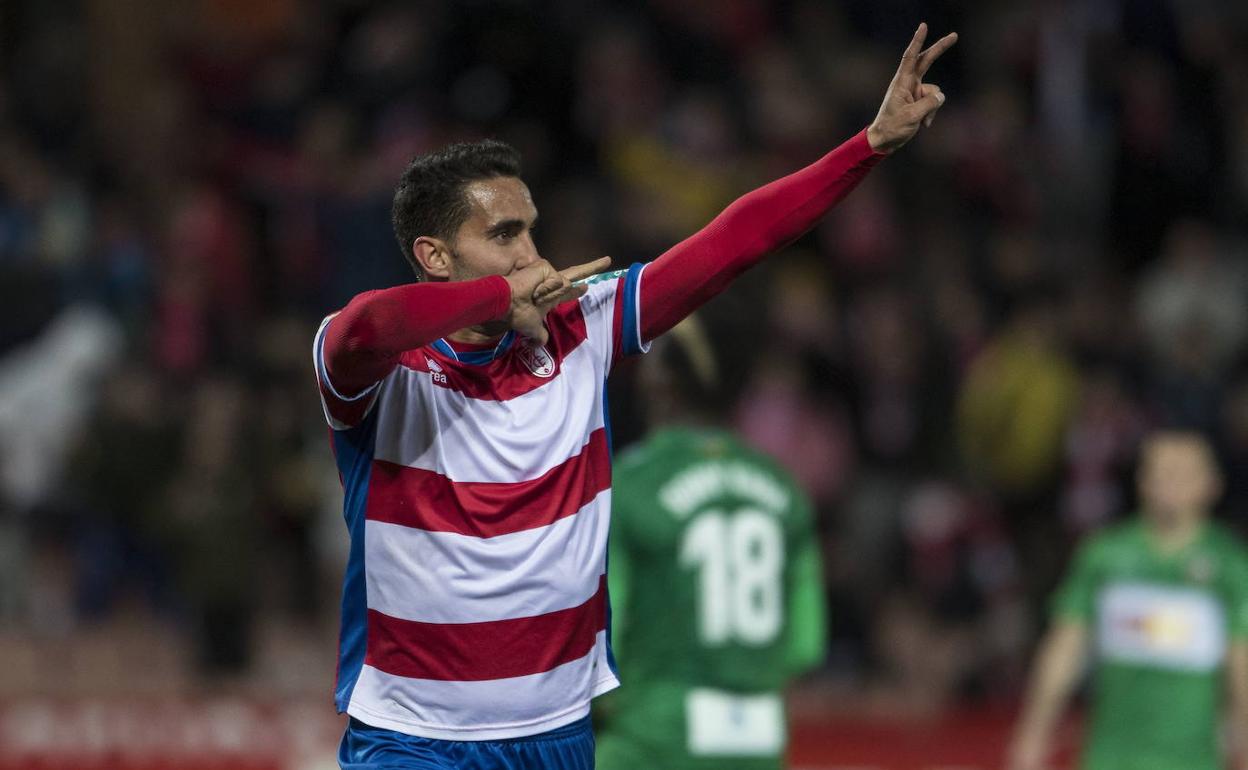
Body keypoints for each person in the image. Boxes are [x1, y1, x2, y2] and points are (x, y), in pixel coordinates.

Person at [314, 23, 957, 770]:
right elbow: (367, 324)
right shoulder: (381, 369)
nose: (530, 254)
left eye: (531, 233)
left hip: (554, 735)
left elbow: (733, 241)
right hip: (411, 737)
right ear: (434, 255)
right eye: (503, 236)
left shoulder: (582, 325)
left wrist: (868, 146)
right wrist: (500, 296)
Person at [594, 315, 827, 770]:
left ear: (660, 382)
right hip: (758, 739)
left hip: (649, 737)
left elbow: (604, 632)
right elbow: (806, 643)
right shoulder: (784, 489)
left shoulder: (632, 484)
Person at [1008, 430, 1248, 770]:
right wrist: (1034, 731)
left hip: (1196, 759)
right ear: (1142, 482)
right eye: (1160, 472)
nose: (1170, 483)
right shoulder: (1105, 555)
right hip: (1110, 757)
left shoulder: (1231, 564)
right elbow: (1066, 645)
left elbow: (1242, 662)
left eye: (1182, 473)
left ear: (1211, 484)